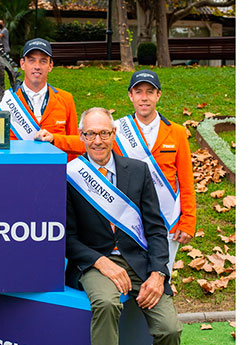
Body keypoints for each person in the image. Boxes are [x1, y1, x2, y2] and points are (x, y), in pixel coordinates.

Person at [36, 70, 196, 274]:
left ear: (158, 95)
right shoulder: (118, 128)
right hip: (132, 214)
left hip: (167, 217)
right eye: (138, 92)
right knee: (137, 272)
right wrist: (55, 139)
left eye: (150, 92)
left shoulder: (177, 132)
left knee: (162, 274)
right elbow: (88, 142)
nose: (144, 97)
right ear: (131, 96)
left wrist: (188, 221)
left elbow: (186, 180)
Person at [65, 107, 182, 345]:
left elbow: (155, 228)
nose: (98, 141)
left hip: (138, 261)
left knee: (169, 328)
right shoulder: (70, 176)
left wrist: (158, 273)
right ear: (81, 136)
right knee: (107, 303)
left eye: (104, 133)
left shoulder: (138, 171)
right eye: (91, 134)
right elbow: (67, 238)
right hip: (95, 262)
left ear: (114, 133)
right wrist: (100, 262)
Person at [0, 38, 78, 161]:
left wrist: (54, 139)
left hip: (55, 173)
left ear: (50, 66)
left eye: (43, 61)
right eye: (31, 61)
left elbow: (76, 144)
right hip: (16, 172)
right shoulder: (3, 100)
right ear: (22, 64)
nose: (37, 66)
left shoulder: (65, 99)